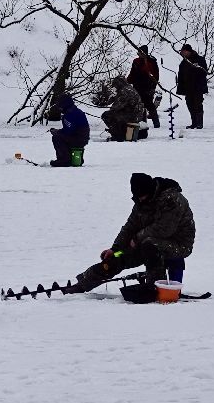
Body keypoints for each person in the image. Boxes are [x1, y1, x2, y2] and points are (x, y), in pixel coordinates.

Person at [66, 173, 195, 293]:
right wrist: (115, 248)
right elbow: (130, 226)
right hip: (145, 242)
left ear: (150, 190)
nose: (140, 199)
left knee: (150, 245)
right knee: (117, 256)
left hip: (179, 245)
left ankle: (155, 288)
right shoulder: (141, 201)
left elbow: (164, 229)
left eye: (142, 195)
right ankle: (82, 284)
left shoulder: (171, 199)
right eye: (138, 196)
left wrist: (137, 239)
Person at [50, 93, 90, 166]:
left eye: (60, 106)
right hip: (81, 139)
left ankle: (64, 160)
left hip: (78, 139)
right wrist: (59, 131)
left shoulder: (71, 114)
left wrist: (57, 132)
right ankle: (74, 159)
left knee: (56, 138)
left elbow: (69, 132)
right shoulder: (74, 111)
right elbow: (69, 130)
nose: (59, 108)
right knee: (61, 136)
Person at [102, 76, 147, 140]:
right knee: (116, 115)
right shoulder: (129, 88)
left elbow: (116, 106)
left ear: (119, 83)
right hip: (136, 115)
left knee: (106, 115)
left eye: (116, 85)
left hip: (132, 116)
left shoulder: (124, 91)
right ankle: (123, 133)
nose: (115, 87)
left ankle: (118, 136)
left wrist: (111, 109)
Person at [127, 46, 161, 127]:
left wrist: (153, 86)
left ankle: (156, 123)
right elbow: (132, 73)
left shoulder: (151, 61)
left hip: (147, 87)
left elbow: (155, 75)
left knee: (149, 105)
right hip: (137, 86)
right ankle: (142, 122)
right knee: (138, 105)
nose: (138, 54)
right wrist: (128, 81)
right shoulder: (136, 61)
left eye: (140, 52)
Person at [175, 44, 208, 130]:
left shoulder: (200, 59)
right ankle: (194, 123)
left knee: (198, 104)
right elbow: (181, 76)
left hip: (197, 87)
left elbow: (204, 72)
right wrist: (181, 88)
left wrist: (195, 69)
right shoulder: (183, 62)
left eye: (184, 51)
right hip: (188, 88)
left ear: (188, 51)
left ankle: (199, 123)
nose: (183, 53)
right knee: (190, 105)